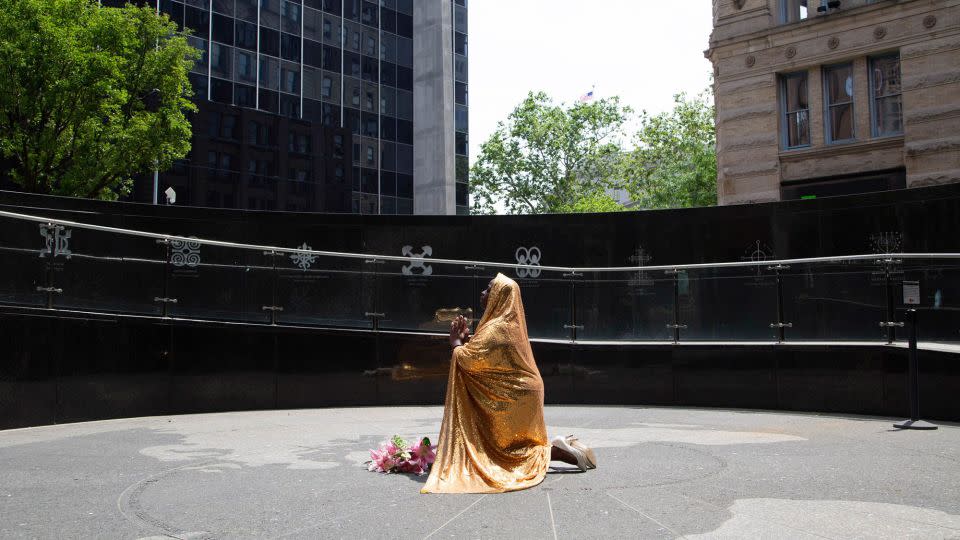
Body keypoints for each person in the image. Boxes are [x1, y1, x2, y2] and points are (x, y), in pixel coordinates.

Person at [421, 273, 596, 494]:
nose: (483, 293)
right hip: (520, 393)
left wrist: (456, 343)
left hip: (513, 398)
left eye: (488, 289)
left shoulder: (496, 328)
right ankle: (555, 450)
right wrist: (466, 342)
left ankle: (554, 452)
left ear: (499, 296)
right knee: (513, 445)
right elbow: (483, 359)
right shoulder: (506, 324)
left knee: (504, 453)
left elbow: (468, 360)